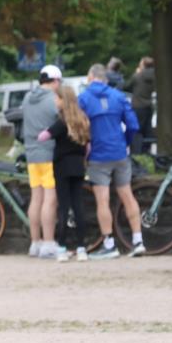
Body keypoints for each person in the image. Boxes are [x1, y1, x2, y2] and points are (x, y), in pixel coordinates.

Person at [78, 64, 144, 259]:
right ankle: (138, 240)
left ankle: (109, 243)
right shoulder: (118, 96)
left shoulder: (83, 99)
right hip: (119, 152)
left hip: (98, 154)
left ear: (90, 77)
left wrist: (85, 147)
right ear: (105, 79)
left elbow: (80, 128)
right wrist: (126, 142)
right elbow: (132, 124)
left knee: (102, 200)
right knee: (127, 195)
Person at [38, 85, 90, 262]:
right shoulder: (82, 119)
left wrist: (45, 131)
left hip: (62, 167)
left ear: (63, 101)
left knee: (64, 207)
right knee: (78, 206)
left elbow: (43, 137)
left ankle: (62, 247)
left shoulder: (61, 122)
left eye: (56, 98)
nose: (54, 100)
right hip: (78, 166)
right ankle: (82, 247)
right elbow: (88, 146)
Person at [21, 65, 61, 259]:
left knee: (35, 198)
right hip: (48, 154)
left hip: (31, 155)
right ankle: (48, 242)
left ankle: (34, 243)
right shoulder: (53, 100)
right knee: (50, 199)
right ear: (54, 81)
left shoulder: (27, 98)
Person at [124, 56, 155, 154]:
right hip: (149, 105)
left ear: (144, 65)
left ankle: (136, 152)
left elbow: (127, 86)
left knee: (137, 130)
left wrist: (136, 73)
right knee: (147, 129)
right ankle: (147, 150)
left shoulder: (138, 76)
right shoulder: (155, 76)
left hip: (138, 106)